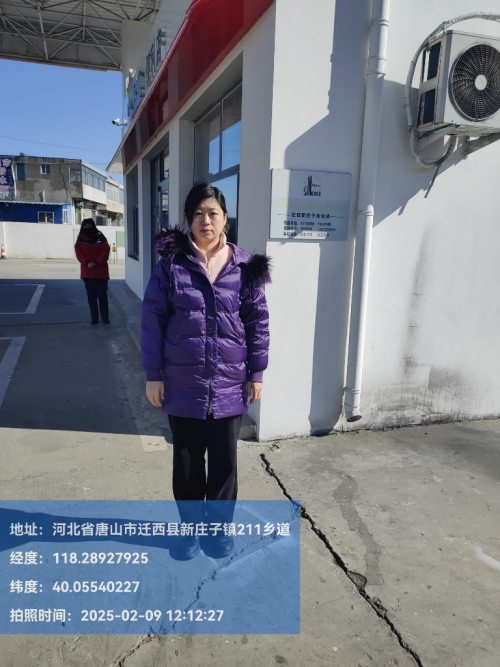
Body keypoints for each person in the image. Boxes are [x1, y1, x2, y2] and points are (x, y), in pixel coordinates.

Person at [141, 182, 270, 559]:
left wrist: (256, 373)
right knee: (187, 466)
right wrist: (153, 374)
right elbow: (152, 320)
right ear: (188, 220)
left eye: (213, 213)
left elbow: (258, 323)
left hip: (229, 386)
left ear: (225, 218)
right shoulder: (171, 267)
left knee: (224, 466)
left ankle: (217, 531)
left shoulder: (245, 268)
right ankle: (190, 532)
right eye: (197, 214)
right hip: (183, 385)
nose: (206, 220)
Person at [75, 218, 111, 325]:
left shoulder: (101, 237)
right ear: (83, 227)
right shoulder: (80, 239)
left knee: (102, 296)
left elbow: (105, 251)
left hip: (101, 273)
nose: (88, 228)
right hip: (87, 273)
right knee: (91, 297)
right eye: (85, 226)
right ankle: (94, 319)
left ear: (94, 226)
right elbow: (79, 254)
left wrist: (96, 262)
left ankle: (105, 318)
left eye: (90, 225)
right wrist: (87, 263)